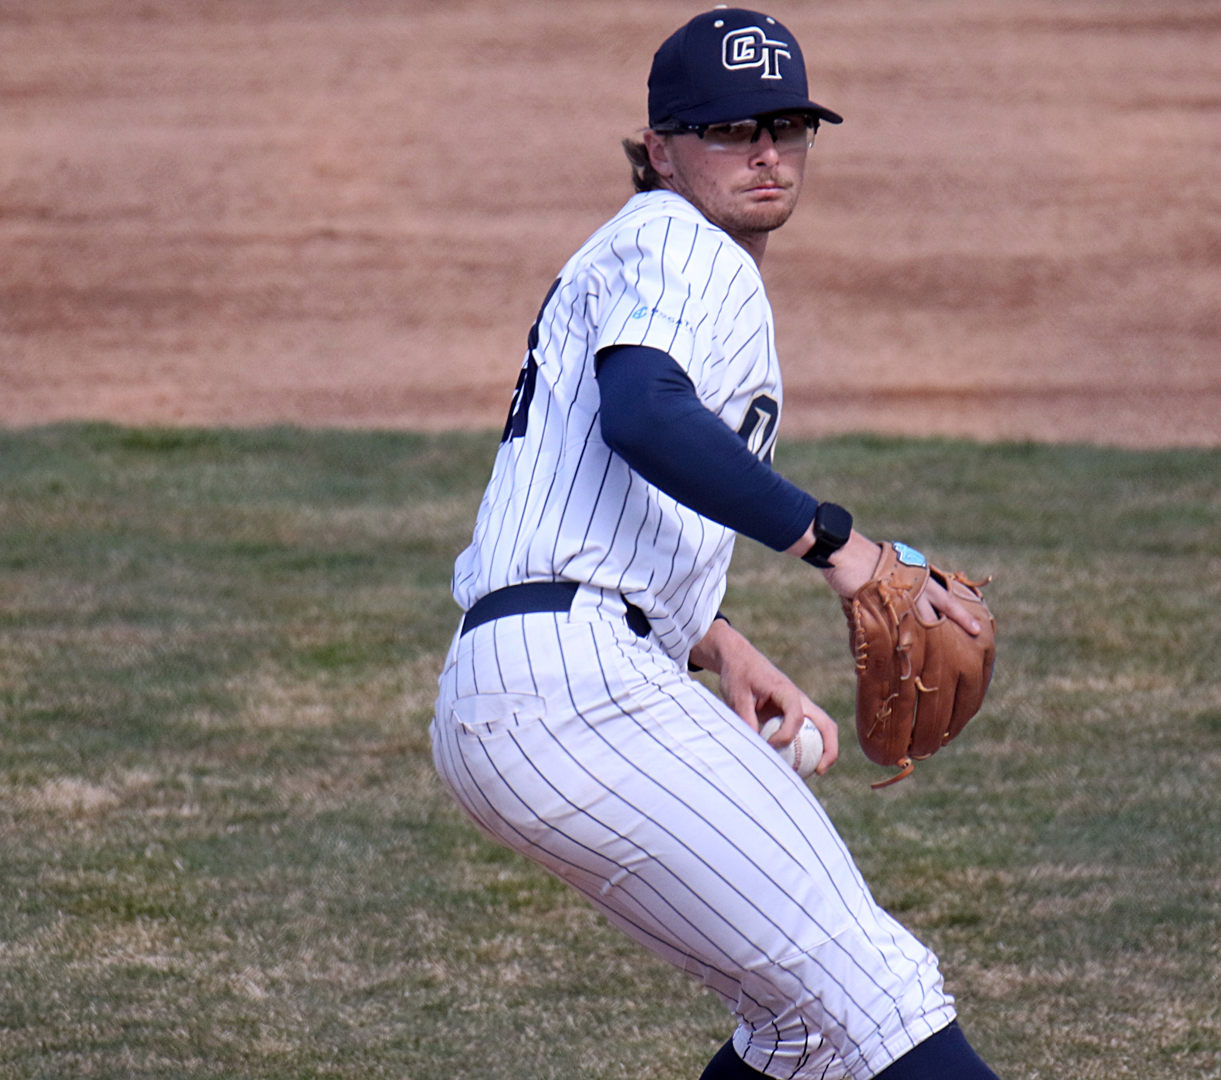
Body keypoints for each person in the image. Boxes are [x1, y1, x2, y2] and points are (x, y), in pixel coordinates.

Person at [429, 9, 1001, 1079]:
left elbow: (586, 495)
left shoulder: (644, 258)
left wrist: (718, 641)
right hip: (572, 688)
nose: (768, 152)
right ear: (660, 149)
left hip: (530, 681)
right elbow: (641, 417)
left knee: (800, 1030)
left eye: (786, 125)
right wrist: (844, 546)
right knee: (879, 987)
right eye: (732, 130)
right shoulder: (680, 241)